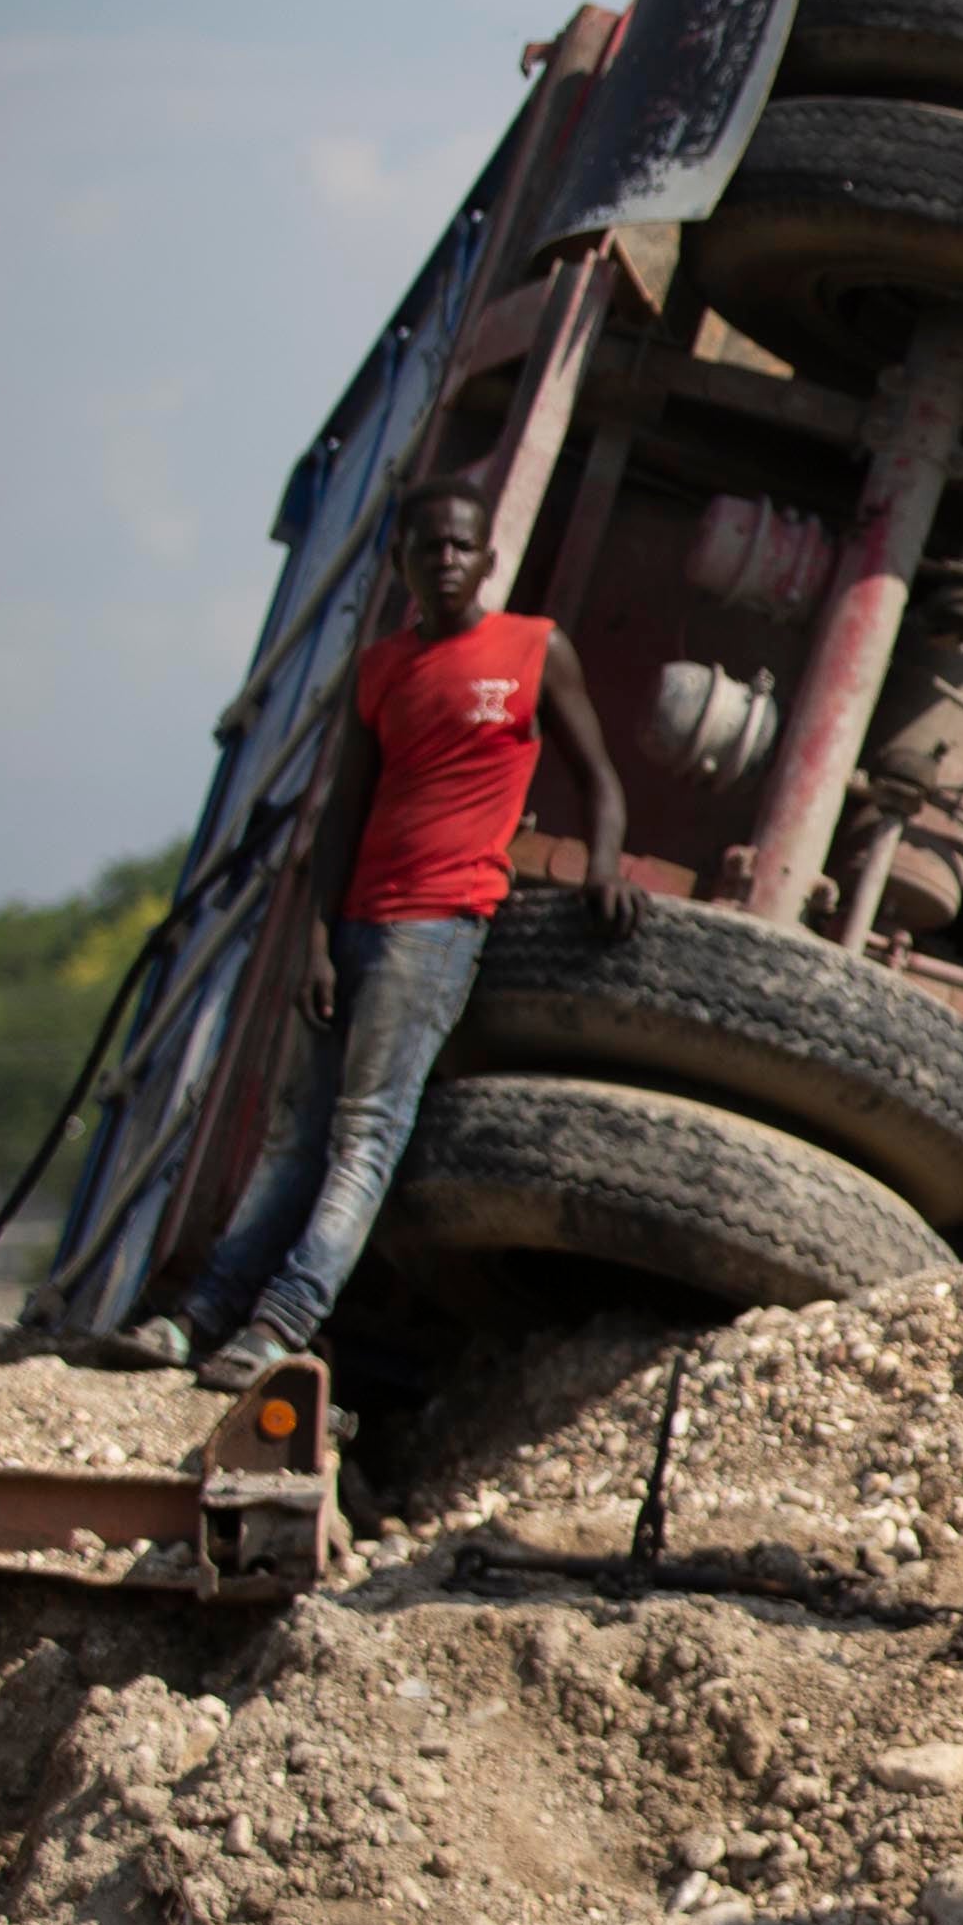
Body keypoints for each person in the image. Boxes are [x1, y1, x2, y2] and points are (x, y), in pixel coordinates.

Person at [122, 473, 637, 1388]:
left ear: (487, 558)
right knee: (295, 1137)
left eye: (461, 545)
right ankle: (196, 1318)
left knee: (365, 1134)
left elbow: (599, 776)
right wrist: (317, 943)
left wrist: (605, 866)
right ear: (402, 562)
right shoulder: (380, 669)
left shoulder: (533, 649)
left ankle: (279, 1325)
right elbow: (341, 818)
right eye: (427, 546)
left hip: (436, 929)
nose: (446, 560)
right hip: (357, 922)